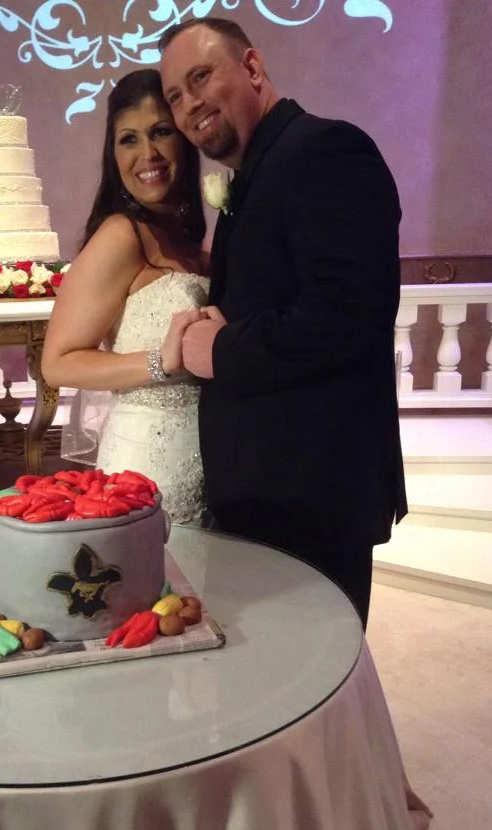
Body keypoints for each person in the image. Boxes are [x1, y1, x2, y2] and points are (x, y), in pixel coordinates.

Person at [159, 17, 407, 627]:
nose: (189, 104)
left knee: (309, 684)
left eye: (201, 77)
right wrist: (225, 320)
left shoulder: (326, 149)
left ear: (251, 67)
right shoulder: (258, 172)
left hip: (312, 490)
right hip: (269, 487)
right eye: (174, 95)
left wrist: (221, 349)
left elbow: (349, 313)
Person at [41, 68, 210, 523]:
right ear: (112, 154)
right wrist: (161, 361)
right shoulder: (121, 235)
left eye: (160, 132)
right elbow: (57, 363)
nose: (147, 153)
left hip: (204, 461)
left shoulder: (187, 240)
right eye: (128, 139)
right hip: (148, 468)